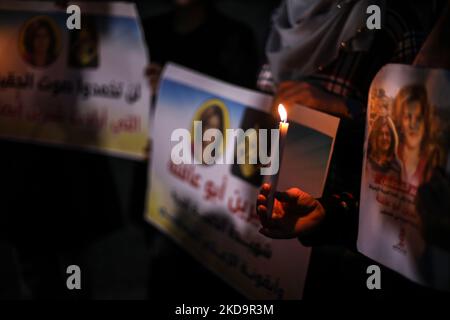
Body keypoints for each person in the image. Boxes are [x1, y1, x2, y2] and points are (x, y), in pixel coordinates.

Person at [143, 0, 258, 94]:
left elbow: (237, 103)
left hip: (199, 121)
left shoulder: (236, 37)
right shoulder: (144, 30)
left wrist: (171, 89)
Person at [393, 85, 433, 187]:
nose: (412, 124)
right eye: (407, 117)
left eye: (419, 118)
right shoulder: (390, 155)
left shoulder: (430, 170)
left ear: (426, 124)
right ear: (400, 121)